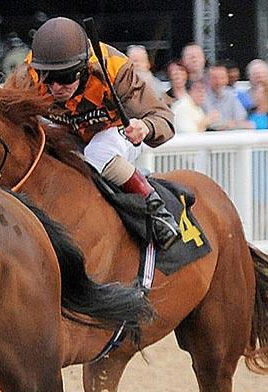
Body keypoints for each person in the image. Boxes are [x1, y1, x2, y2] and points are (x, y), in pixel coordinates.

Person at [19, 17, 179, 248]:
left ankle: (156, 209)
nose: (55, 88)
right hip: (68, 134)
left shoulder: (114, 68)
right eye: (49, 78)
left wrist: (145, 127)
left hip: (117, 131)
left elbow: (163, 119)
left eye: (64, 78)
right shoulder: (29, 76)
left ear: (83, 68)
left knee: (97, 150)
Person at [201, 66, 251, 131]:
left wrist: (229, 125)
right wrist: (230, 124)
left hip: (232, 136)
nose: (218, 81)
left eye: (222, 78)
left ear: (227, 79)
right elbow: (212, 124)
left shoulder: (231, 95)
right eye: (215, 78)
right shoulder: (203, 97)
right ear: (209, 80)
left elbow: (241, 117)